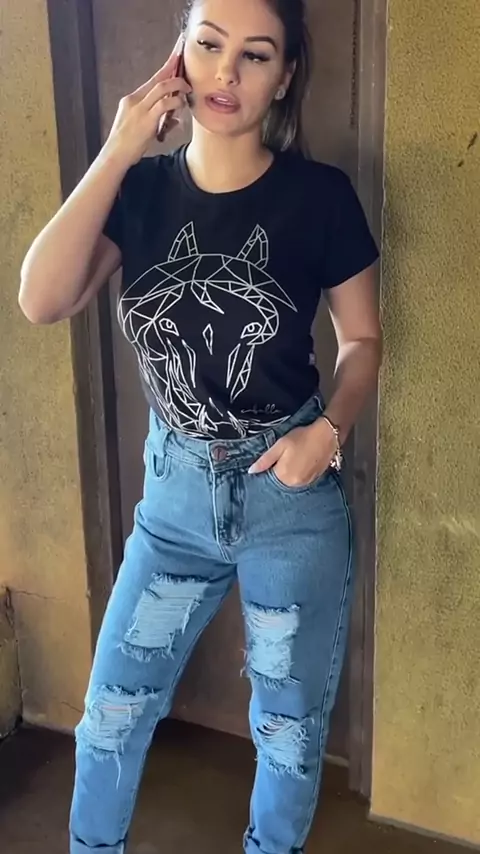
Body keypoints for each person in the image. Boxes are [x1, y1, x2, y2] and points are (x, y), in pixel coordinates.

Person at [19, 0, 382, 851]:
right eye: (210, 44)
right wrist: (118, 148)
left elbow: (362, 341)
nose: (227, 71)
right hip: (174, 502)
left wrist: (329, 432)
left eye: (256, 55)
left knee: (287, 733)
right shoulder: (140, 191)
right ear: (179, 54)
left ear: (285, 77)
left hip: (286, 500)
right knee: (111, 715)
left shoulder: (320, 198)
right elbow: (41, 298)